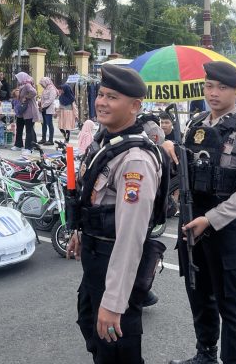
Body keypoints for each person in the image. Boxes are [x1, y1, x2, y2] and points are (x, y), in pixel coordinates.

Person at [66, 63, 166, 364]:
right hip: (96, 257)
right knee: (91, 327)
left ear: (135, 106)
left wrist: (114, 302)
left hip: (115, 262)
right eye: (102, 94)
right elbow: (97, 201)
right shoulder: (109, 141)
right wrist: (81, 231)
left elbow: (131, 237)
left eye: (112, 97)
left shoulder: (135, 159)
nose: (101, 102)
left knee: (117, 350)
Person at [169, 62, 236, 364]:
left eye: (222, 87)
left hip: (225, 228)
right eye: (209, 85)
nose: (213, 92)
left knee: (231, 305)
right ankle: (205, 354)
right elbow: (184, 172)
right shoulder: (195, 125)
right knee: (199, 297)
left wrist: (210, 219)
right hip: (190, 220)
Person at [11, 72, 39, 153]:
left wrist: (26, 97)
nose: (18, 80)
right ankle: (18, 145)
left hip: (29, 111)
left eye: (18, 78)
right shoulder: (22, 85)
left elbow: (34, 92)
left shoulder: (27, 85)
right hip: (22, 111)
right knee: (19, 128)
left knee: (29, 130)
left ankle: (29, 147)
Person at [39, 77, 57, 145]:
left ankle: (50, 140)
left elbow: (50, 100)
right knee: (43, 124)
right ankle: (43, 139)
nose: (42, 85)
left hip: (48, 110)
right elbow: (43, 98)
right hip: (43, 109)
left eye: (42, 84)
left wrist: (43, 106)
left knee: (49, 124)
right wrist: (40, 103)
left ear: (45, 82)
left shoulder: (52, 89)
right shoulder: (46, 89)